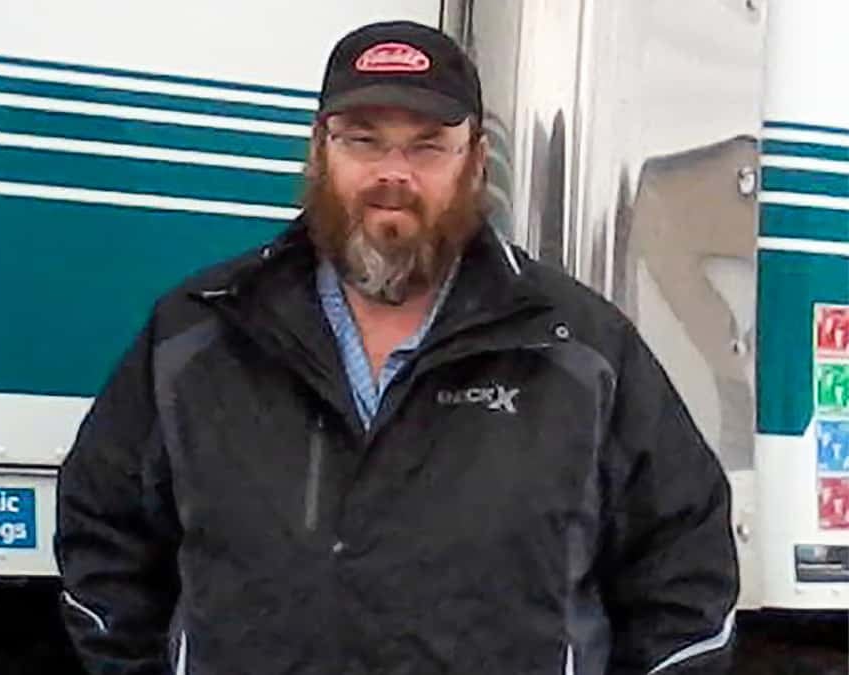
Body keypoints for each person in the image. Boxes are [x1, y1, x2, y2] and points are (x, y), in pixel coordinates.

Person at [54, 20, 739, 675]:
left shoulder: (577, 349)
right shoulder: (202, 335)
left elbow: (685, 570)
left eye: (427, 145)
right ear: (320, 150)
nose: (394, 173)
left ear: (474, 160)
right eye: (363, 140)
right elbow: (102, 533)